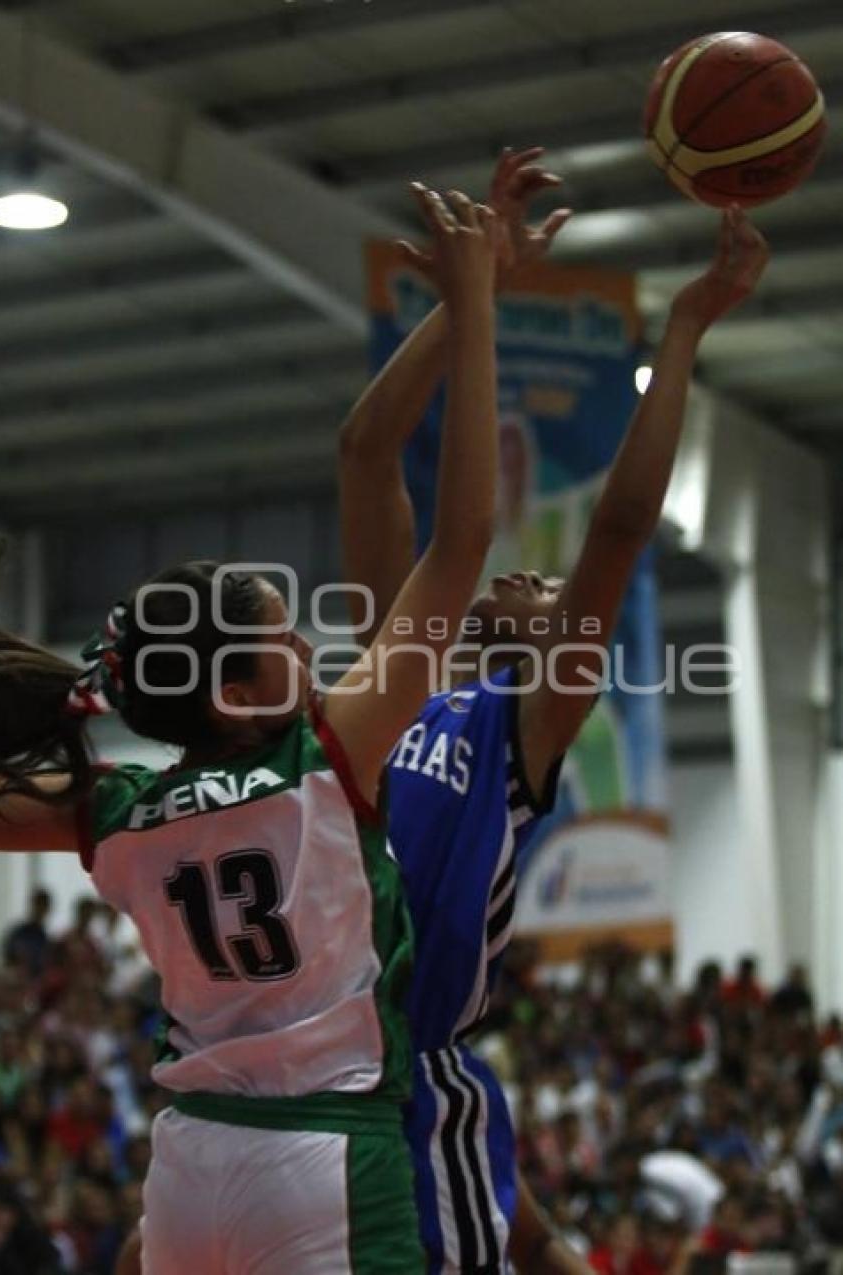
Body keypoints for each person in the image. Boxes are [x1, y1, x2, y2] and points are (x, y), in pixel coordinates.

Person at [0, 184, 505, 1274]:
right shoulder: (326, 761)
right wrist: (475, 307)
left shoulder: (116, 813)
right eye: (284, 632)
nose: (311, 640)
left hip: (184, 1171)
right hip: (322, 1163)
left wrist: (466, 302)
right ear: (234, 694)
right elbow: (460, 539)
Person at [339, 159, 769, 1273]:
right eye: (522, 583)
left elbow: (621, 526)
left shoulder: (516, 734)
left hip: (407, 1069)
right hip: (304, 1071)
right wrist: (464, 299)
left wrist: (679, 328)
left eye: (548, 595)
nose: (531, 588)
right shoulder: (401, 667)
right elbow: (367, 452)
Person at [0, 887, 52, 980]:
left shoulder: (45, 939)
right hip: (17, 982)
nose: (40, 909)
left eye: (43, 905)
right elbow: (7, 959)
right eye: (38, 904)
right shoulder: (18, 933)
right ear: (32, 905)